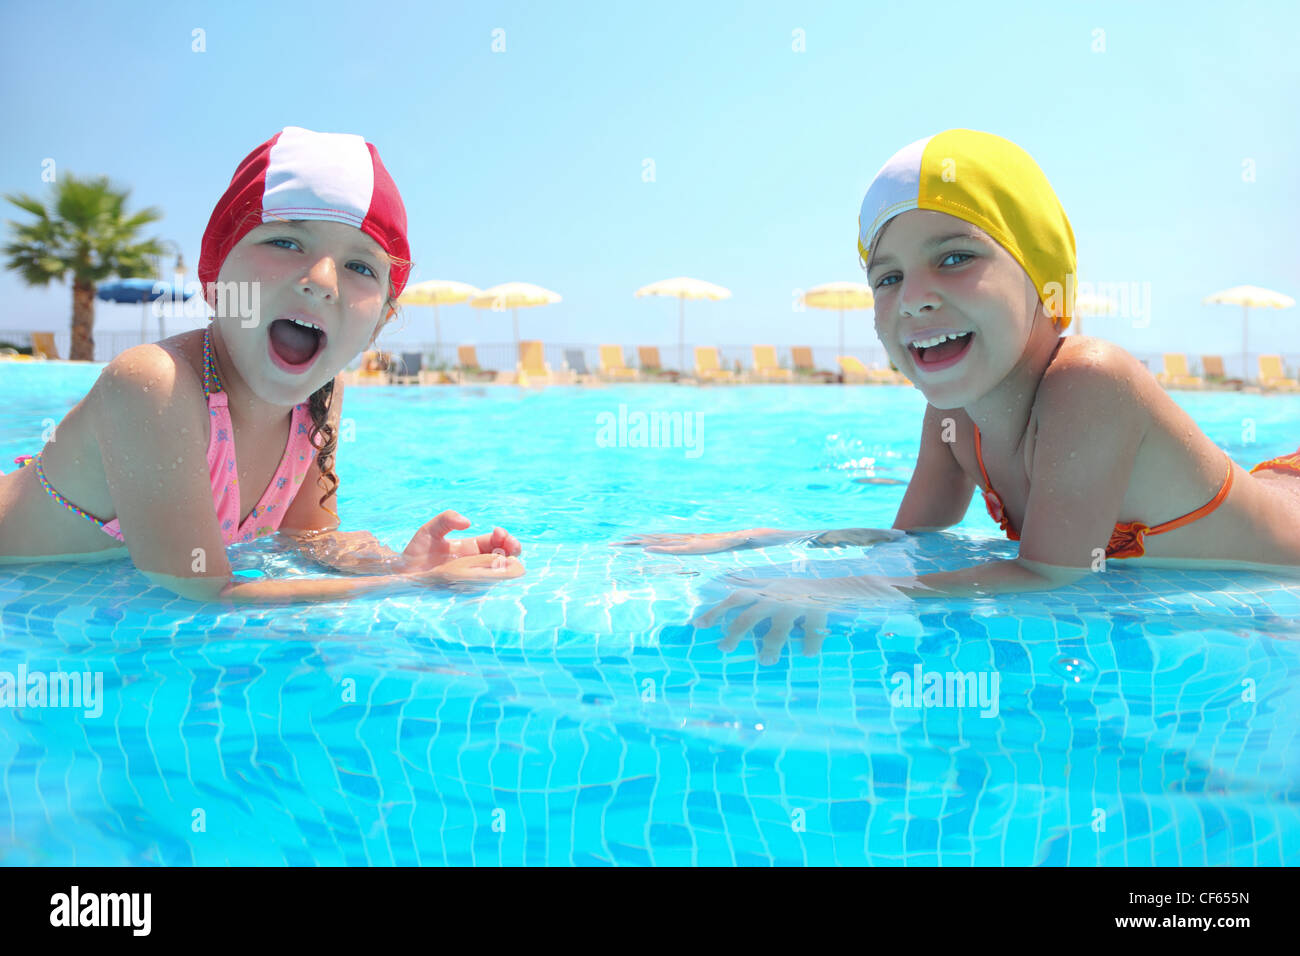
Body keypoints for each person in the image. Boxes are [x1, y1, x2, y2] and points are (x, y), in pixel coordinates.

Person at [619, 129, 1300, 663]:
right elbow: (910, 539)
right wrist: (763, 540)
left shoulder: (1092, 381)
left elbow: (1052, 577)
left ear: (1043, 280)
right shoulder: (950, 419)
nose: (914, 298)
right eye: (887, 279)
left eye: (954, 258)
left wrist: (846, 590)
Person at [0, 126, 523, 602]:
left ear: (381, 321)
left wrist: (401, 560)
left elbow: (310, 535)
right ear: (215, 276)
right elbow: (201, 592)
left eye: (360, 265)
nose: (320, 278)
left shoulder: (320, 398)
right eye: (284, 241)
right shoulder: (154, 386)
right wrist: (408, 585)